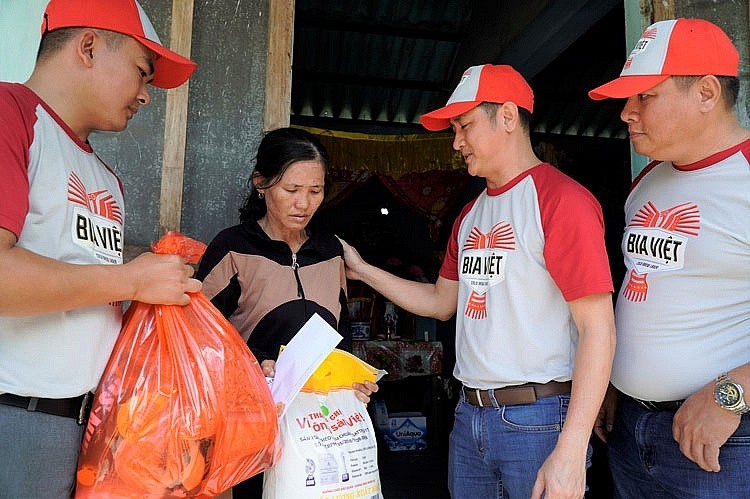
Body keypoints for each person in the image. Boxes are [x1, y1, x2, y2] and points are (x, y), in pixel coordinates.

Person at [341, 64, 616, 498]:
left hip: (539, 416)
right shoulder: (470, 215)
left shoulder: (560, 200)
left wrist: (571, 447)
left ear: (508, 117)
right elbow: (439, 301)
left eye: (465, 126)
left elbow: (598, 327)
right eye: (454, 129)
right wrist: (363, 270)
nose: (456, 143)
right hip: (469, 416)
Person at [0, 0, 200, 497]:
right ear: (88, 47)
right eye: (142, 72)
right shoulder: (11, 115)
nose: (146, 95)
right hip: (15, 412)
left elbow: (88, 295)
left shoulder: (105, 179)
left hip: (84, 421)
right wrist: (132, 278)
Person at [589, 18, 750, 498]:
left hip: (724, 436)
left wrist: (732, 394)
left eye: (645, 96)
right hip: (631, 429)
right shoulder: (647, 182)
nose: (626, 113)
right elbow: (648, 292)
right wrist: (617, 381)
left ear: (705, 92)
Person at [196, 127, 377, 497]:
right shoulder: (232, 249)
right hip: (251, 432)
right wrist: (252, 367)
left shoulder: (330, 252)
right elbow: (199, 344)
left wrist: (355, 381)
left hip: (322, 432)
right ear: (261, 184)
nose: (304, 204)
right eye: (291, 190)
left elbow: (338, 342)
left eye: (315, 191)